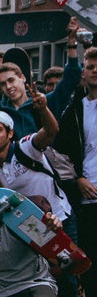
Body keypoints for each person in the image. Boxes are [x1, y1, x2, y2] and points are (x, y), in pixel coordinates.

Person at [0, 104, 76, 297]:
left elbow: (51, 130)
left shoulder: (26, 147)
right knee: (47, 281)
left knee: (69, 276)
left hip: (59, 220)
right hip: (31, 231)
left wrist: (42, 108)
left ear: (10, 133)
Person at [0, 17, 81, 137]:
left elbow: (71, 78)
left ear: (23, 78)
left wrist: (71, 41)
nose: (8, 87)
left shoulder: (44, 103)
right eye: (3, 84)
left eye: (11, 80)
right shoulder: (0, 108)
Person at [0, 167, 58, 297]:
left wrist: (53, 224)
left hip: (35, 282)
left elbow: (49, 239)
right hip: (2, 290)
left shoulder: (15, 213)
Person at [56, 46, 97, 295]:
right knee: (90, 261)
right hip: (88, 196)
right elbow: (62, 152)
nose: (95, 71)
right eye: (90, 66)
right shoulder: (75, 109)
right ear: (83, 72)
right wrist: (78, 178)